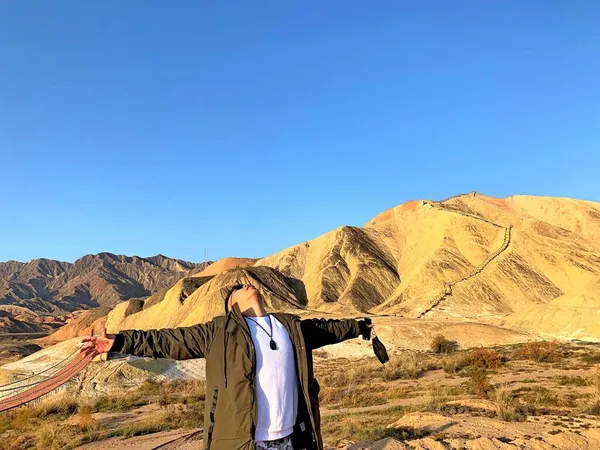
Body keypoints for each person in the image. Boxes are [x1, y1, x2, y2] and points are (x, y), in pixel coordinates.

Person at [79, 283, 374, 450]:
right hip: (245, 443)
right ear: (231, 305)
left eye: (247, 283)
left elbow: (329, 328)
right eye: (236, 289)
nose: (245, 284)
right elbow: (168, 341)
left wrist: (360, 326)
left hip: (294, 439)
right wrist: (117, 342)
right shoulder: (219, 333)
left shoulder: (289, 326)